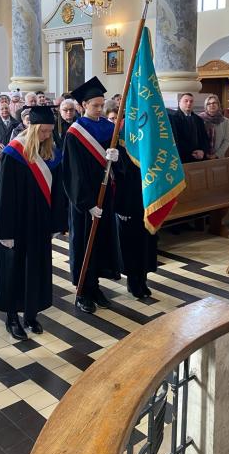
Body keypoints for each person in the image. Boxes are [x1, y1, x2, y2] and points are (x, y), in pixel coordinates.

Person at [0, 106, 65, 340]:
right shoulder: (14, 154)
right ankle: (12, 317)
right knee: (14, 271)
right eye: (43, 131)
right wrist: (4, 232)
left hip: (39, 224)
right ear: (32, 128)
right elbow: (3, 194)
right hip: (16, 224)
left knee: (36, 270)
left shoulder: (51, 154)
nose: (47, 136)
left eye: (50, 131)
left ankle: (31, 314)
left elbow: (57, 192)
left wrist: (55, 223)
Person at [62, 77, 121, 314]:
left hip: (105, 196)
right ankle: (82, 292)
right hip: (84, 202)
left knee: (101, 243)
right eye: (95, 105)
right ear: (83, 105)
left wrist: (117, 158)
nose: (99, 109)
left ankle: (95, 287)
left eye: (101, 105)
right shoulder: (75, 134)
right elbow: (73, 173)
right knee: (84, 243)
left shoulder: (108, 128)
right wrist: (86, 203)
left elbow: (120, 164)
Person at [115, 146, 157, 298]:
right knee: (130, 243)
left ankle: (142, 278)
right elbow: (118, 175)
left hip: (146, 196)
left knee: (145, 241)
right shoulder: (119, 142)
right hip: (127, 199)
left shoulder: (144, 141)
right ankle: (133, 280)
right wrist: (120, 207)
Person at [168, 93, 208, 163]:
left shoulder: (199, 119)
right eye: (186, 101)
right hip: (181, 159)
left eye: (191, 101)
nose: (189, 103)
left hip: (199, 158)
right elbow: (174, 141)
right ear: (179, 103)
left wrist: (202, 151)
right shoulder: (172, 119)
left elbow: (204, 138)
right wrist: (191, 153)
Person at [199, 94, 229, 159]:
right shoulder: (199, 119)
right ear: (205, 106)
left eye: (214, 103)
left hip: (218, 157)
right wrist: (204, 153)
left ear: (218, 105)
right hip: (202, 156)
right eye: (209, 104)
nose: (212, 105)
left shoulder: (225, 121)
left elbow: (226, 140)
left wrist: (216, 155)